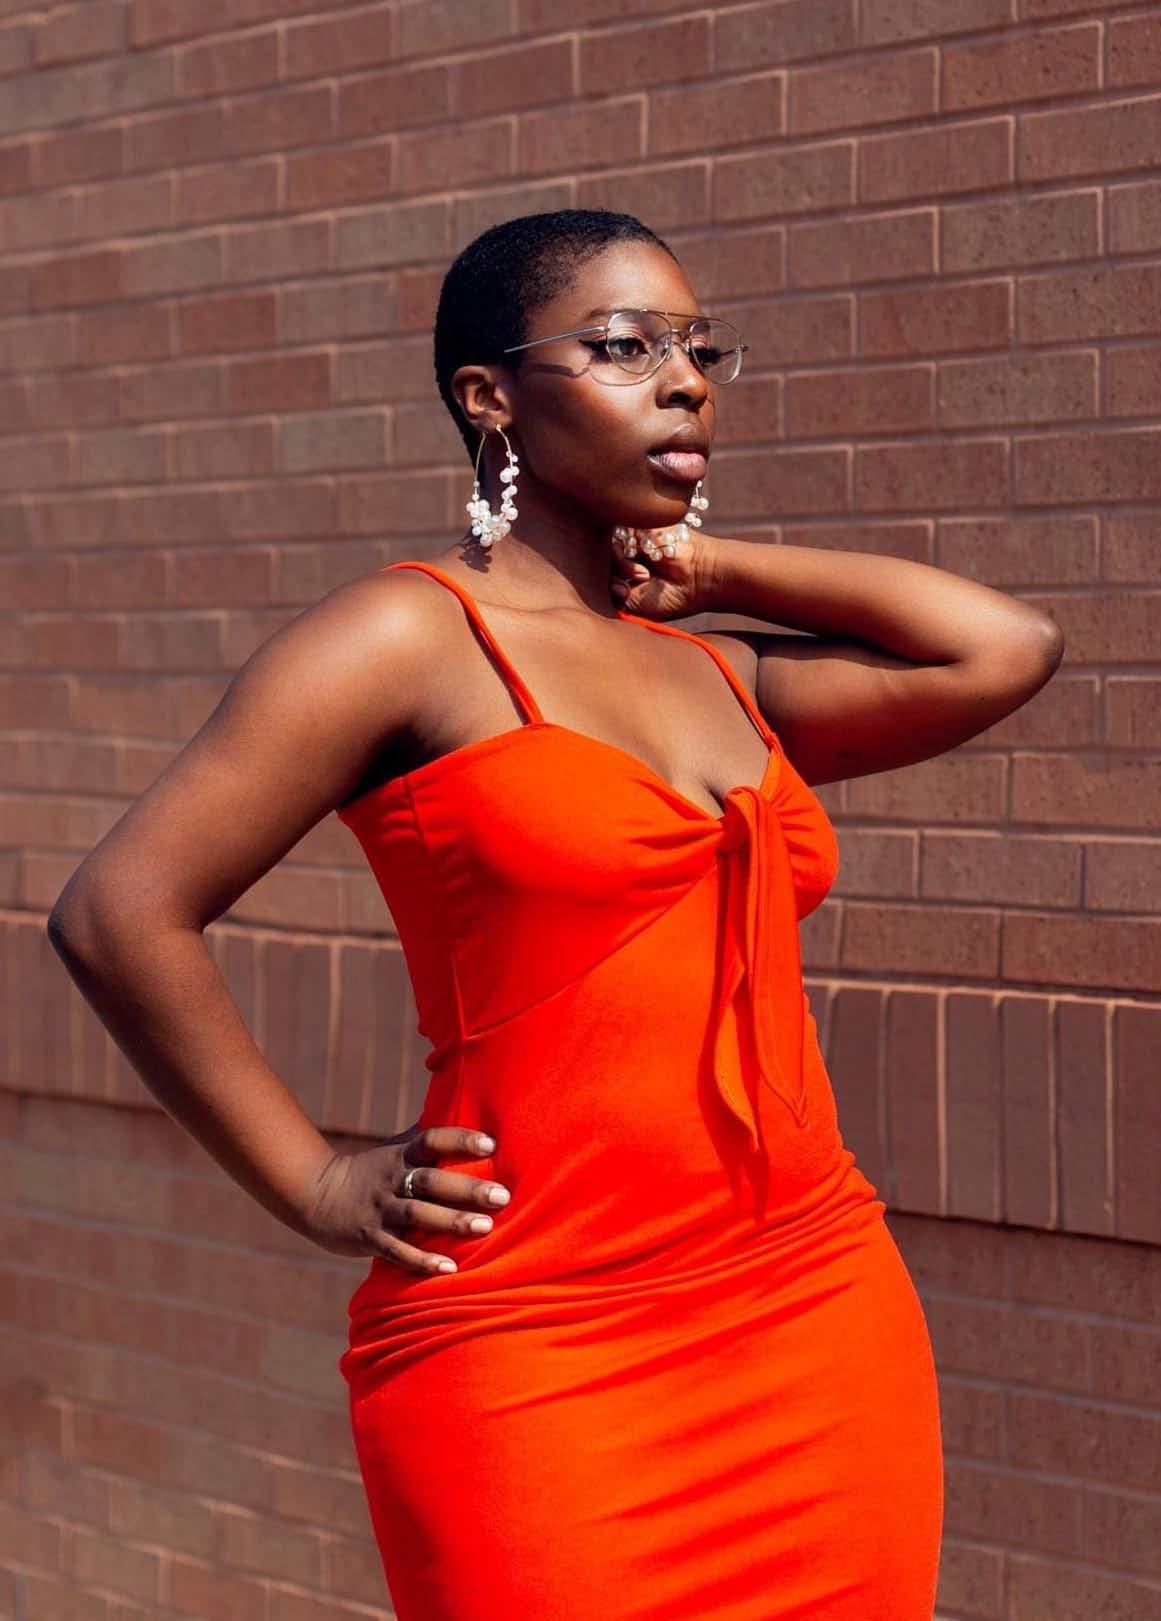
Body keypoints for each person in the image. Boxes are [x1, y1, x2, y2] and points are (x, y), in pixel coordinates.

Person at [48, 208, 1063, 1620]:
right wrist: (316, 1182)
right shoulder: (406, 637)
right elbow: (121, 912)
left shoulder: (720, 672)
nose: (685, 381)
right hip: (534, 1347)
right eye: (624, 347)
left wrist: (715, 569)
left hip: (813, 1309)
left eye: (698, 350)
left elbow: (1004, 646)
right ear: (490, 396)